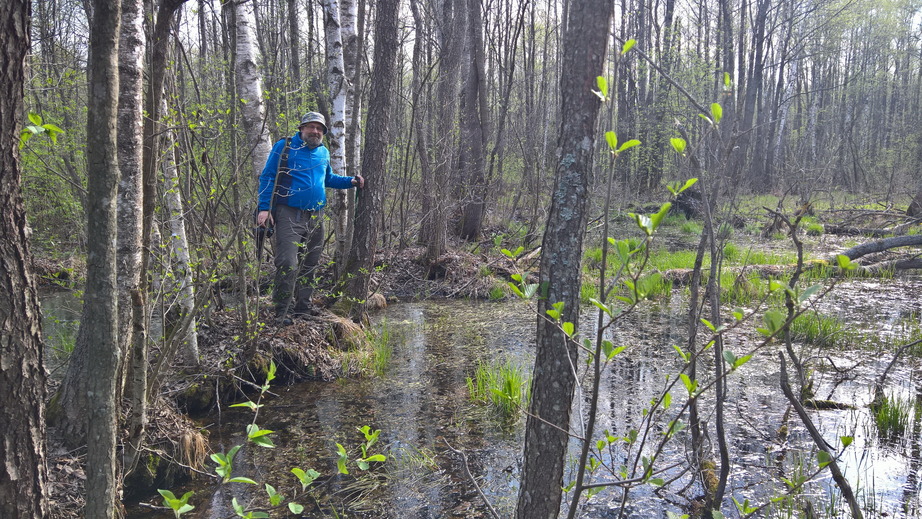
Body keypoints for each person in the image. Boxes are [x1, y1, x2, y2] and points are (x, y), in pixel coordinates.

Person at [256, 111, 364, 321]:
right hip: (288, 213)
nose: (315, 131)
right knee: (287, 262)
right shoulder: (285, 147)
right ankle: (282, 311)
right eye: (311, 127)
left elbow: (328, 179)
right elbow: (268, 176)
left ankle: (303, 308)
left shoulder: (323, 152)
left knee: (310, 263)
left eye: (319, 129)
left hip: (315, 215)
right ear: (301, 128)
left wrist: (351, 181)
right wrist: (264, 208)